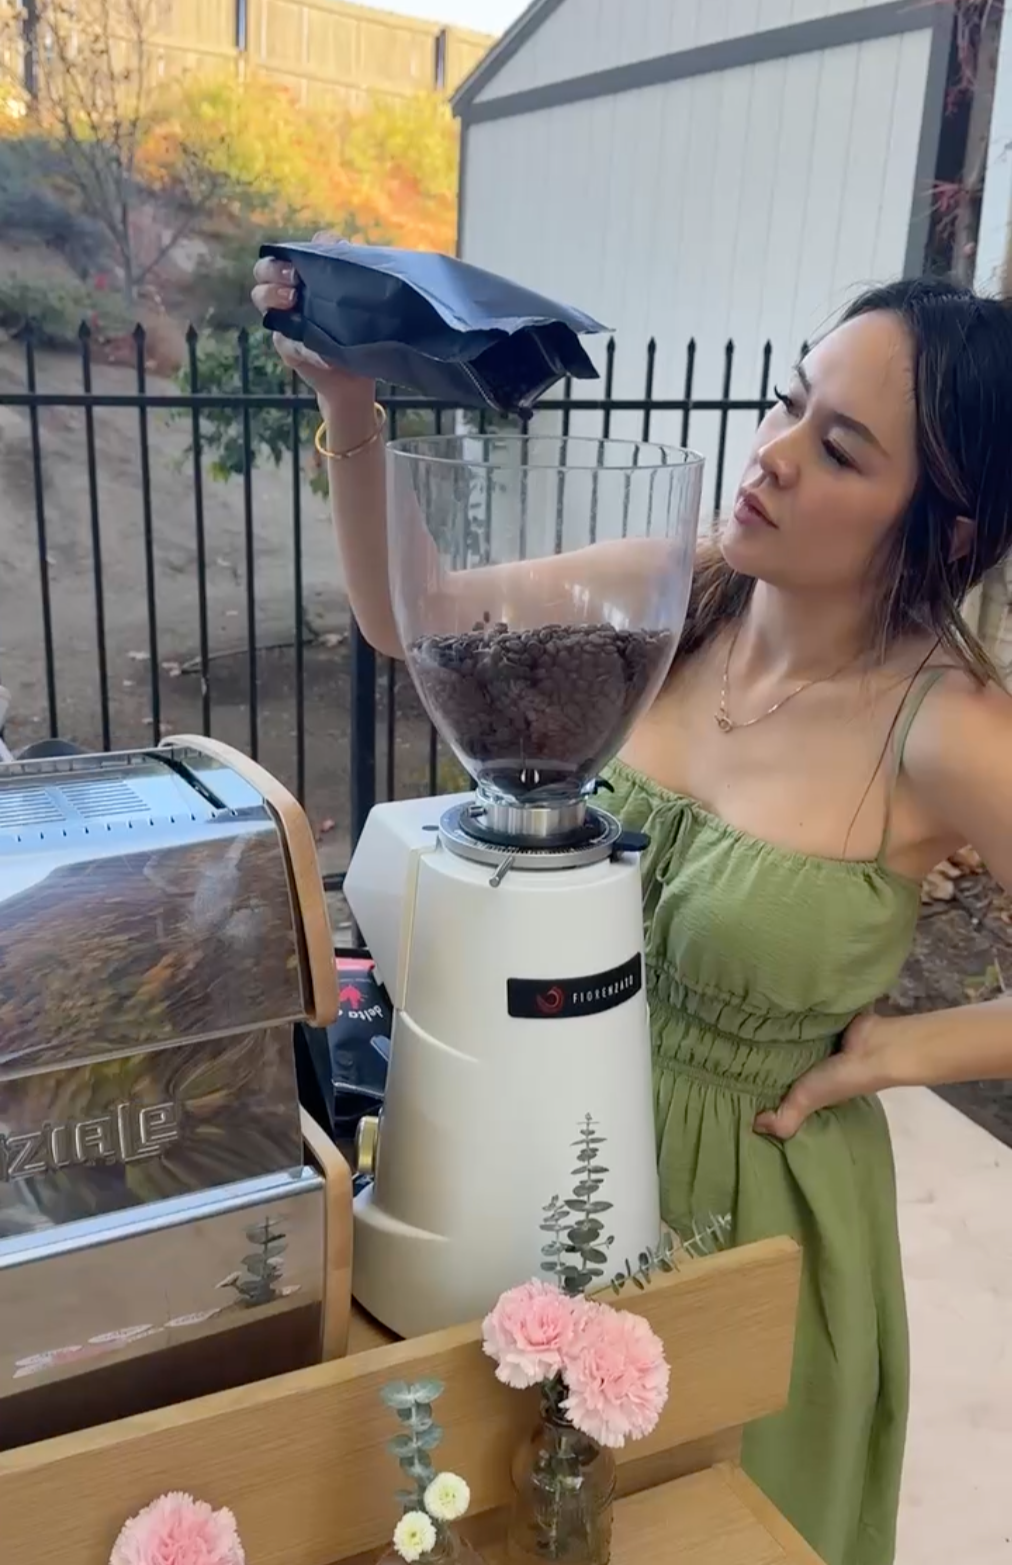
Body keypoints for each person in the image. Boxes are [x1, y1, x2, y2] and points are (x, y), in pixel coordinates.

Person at [252, 258, 1012, 1565]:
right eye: (785, 404)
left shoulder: (946, 732)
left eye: (836, 449)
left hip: (747, 1211)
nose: (770, 455)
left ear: (942, 527)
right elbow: (415, 618)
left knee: (705, 1530)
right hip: (550, 1140)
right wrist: (352, 412)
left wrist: (903, 1054)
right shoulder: (682, 593)